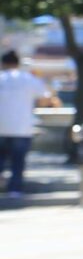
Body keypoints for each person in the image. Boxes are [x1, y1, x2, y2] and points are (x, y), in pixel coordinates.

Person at [0, 49, 59, 200]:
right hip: (22, 126)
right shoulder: (28, 79)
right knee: (18, 161)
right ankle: (15, 189)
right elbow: (46, 97)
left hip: (1, 126)